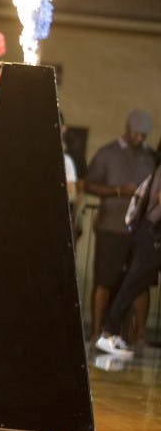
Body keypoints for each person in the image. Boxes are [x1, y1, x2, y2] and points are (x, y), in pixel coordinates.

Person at [86, 109, 156, 342]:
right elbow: (88, 185)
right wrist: (117, 191)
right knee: (104, 280)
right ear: (127, 129)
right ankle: (97, 332)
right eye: (137, 134)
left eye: (144, 136)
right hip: (111, 227)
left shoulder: (151, 158)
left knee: (141, 283)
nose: (140, 139)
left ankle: (138, 337)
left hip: (141, 231)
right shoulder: (107, 153)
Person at [95, 162, 161, 359]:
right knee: (133, 283)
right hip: (153, 234)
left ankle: (110, 332)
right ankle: (108, 333)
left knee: (136, 283)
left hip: (151, 233)